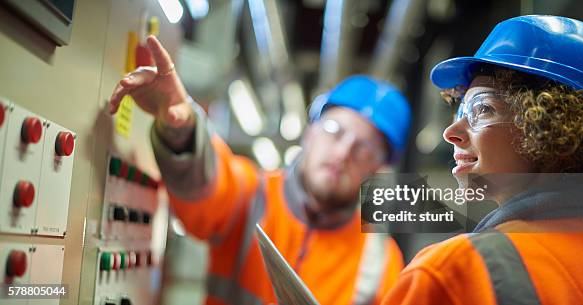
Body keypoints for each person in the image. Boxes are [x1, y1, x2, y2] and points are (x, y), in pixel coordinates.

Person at [109, 36, 412, 305]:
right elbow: (207, 183)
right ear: (311, 131)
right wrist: (182, 128)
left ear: (379, 168)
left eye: (365, 148)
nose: (343, 153)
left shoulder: (381, 263)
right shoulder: (252, 194)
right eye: (335, 130)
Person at [382, 15, 583, 305]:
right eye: (461, 110)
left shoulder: (454, 270)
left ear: (556, 125)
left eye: (483, 109)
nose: (451, 132)